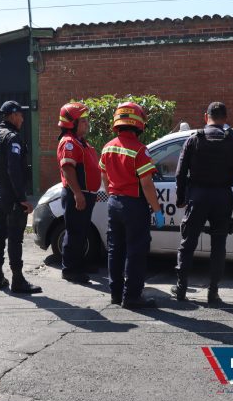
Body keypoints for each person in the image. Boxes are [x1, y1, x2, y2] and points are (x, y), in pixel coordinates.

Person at [172, 102, 233, 305]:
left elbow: (180, 173)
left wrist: (181, 198)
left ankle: (181, 288)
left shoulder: (194, 139)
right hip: (223, 198)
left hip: (197, 197)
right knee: (218, 246)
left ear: (205, 116)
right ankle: (213, 291)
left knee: (187, 244)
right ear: (225, 118)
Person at [100, 101, 165, 309]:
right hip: (134, 206)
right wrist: (157, 209)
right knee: (135, 251)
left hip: (114, 203)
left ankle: (115, 294)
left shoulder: (108, 147)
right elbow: (146, 184)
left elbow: (104, 175)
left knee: (115, 249)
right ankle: (132, 297)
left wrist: (112, 194)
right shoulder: (139, 150)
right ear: (138, 124)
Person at [0, 100, 41, 294]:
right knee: (15, 240)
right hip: (12, 199)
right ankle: (18, 280)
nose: (23, 118)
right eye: (20, 115)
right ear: (12, 116)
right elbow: (14, 170)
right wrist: (21, 198)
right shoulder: (12, 138)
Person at [56, 102, 101, 283]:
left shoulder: (80, 142)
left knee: (81, 232)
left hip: (85, 194)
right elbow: (68, 169)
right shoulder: (68, 143)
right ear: (72, 123)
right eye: (82, 121)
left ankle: (79, 265)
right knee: (74, 233)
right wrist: (78, 194)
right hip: (77, 194)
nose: (86, 124)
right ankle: (70, 270)